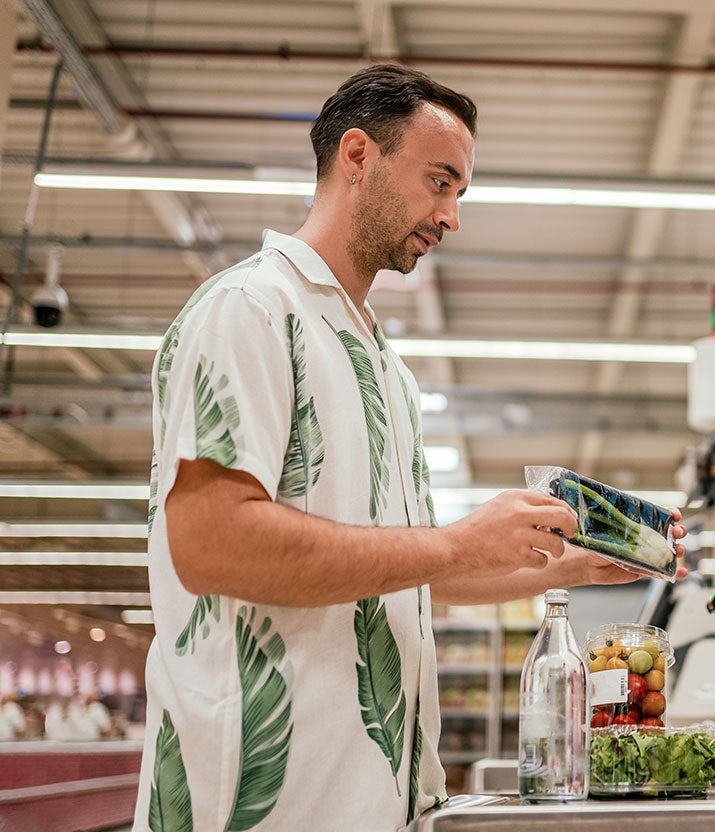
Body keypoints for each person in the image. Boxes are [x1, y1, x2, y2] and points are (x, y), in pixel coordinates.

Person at [134, 64, 686, 831]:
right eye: (440, 181)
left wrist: (574, 564)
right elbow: (208, 542)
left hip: (371, 804)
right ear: (357, 156)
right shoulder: (251, 310)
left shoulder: (384, 369)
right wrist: (454, 540)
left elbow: (401, 576)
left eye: (460, 192)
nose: (452, 215)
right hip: (259, 808)